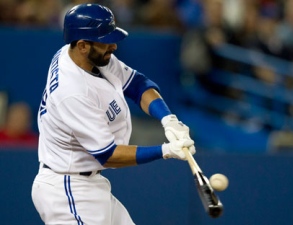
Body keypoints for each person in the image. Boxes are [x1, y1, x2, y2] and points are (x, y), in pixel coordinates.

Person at [31, 3, 195, 225]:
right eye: (105, 41)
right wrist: (165, 150)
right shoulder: (71, 92)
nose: (114, 46)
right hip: (66, 190)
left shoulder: (84, 56)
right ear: (82, 45)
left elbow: (137, 84)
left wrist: (168, 120)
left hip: (90, 184)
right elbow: (108, 155)